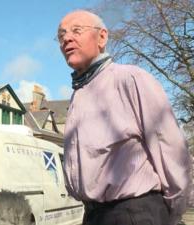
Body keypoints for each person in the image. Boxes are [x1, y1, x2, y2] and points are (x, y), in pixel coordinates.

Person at [56, 10, 192, 225]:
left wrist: (172, 211)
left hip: (135, 213)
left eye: (76, 30)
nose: (66, 38)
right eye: (61, 34)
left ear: (102, 37)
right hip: (94, 215)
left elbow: (171, 147)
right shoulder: (78, 96)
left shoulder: (130, 79)